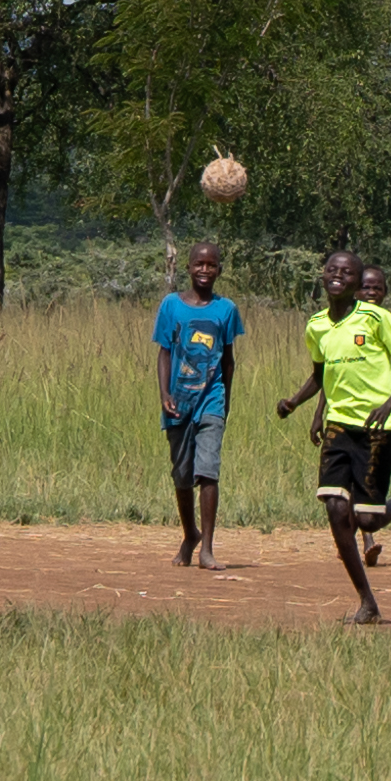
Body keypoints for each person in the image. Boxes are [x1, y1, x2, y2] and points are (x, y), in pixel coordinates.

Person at [279, 252, 391, 622]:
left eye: (347, 272)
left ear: (357, 281)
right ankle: (367, 601)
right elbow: (321, 374)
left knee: (367, 520)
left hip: (375, 428)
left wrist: (390, 403)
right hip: (337, 426)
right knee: (334, 508)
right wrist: (296, 403)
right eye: (332, 269)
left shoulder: (377, 318)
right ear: (323, 276)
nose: (337, 276)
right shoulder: (316, 325)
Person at [151, 239, 248, 565]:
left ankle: (207, 547)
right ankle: (189, 533)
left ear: (220, 269)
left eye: (211, 265)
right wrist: (164, 394)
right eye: (199, 264)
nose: (205, 270)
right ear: (188, 267)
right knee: (182, 475)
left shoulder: (226, 309)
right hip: (178, 401)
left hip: (212, 399)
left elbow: (229, 360)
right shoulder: (171, 305)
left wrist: (226, 402)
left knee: (208, 471)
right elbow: (164, 353)